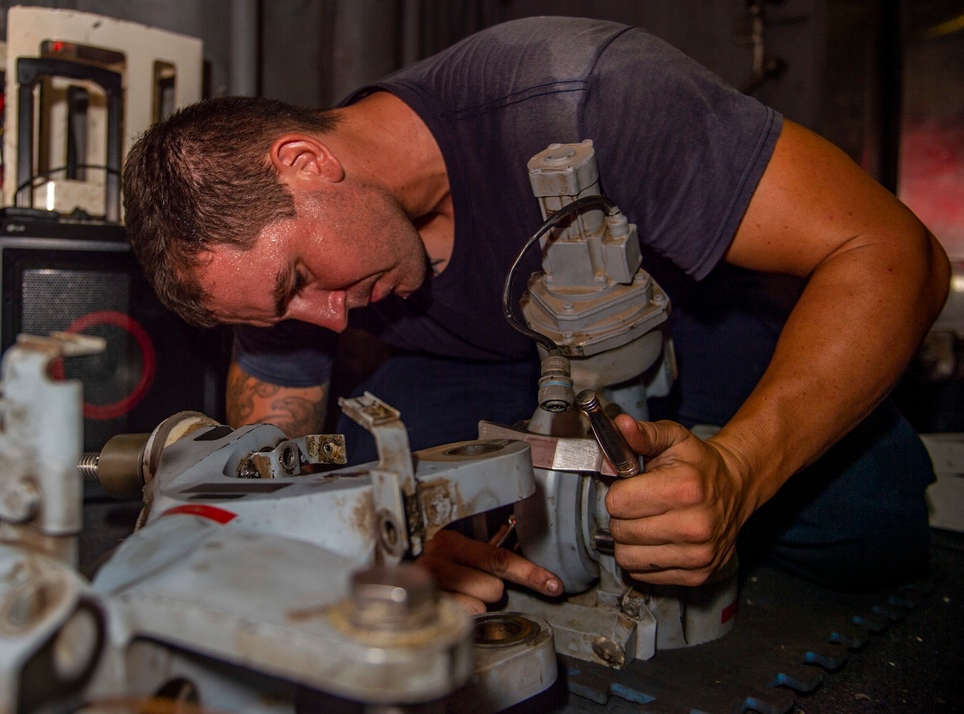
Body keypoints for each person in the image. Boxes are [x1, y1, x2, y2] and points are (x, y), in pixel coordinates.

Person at [122, 17, 949, 614]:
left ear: (305, 162)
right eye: (283, 307)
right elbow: (285, 442)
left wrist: (739, 473)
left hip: (683, 338)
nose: (326, 322)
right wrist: (387, 543)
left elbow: (894, 252)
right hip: (480, 368)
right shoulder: (265, 257)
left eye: (303, 276)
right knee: (370, 467)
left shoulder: (584, 94)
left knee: (872, 525)